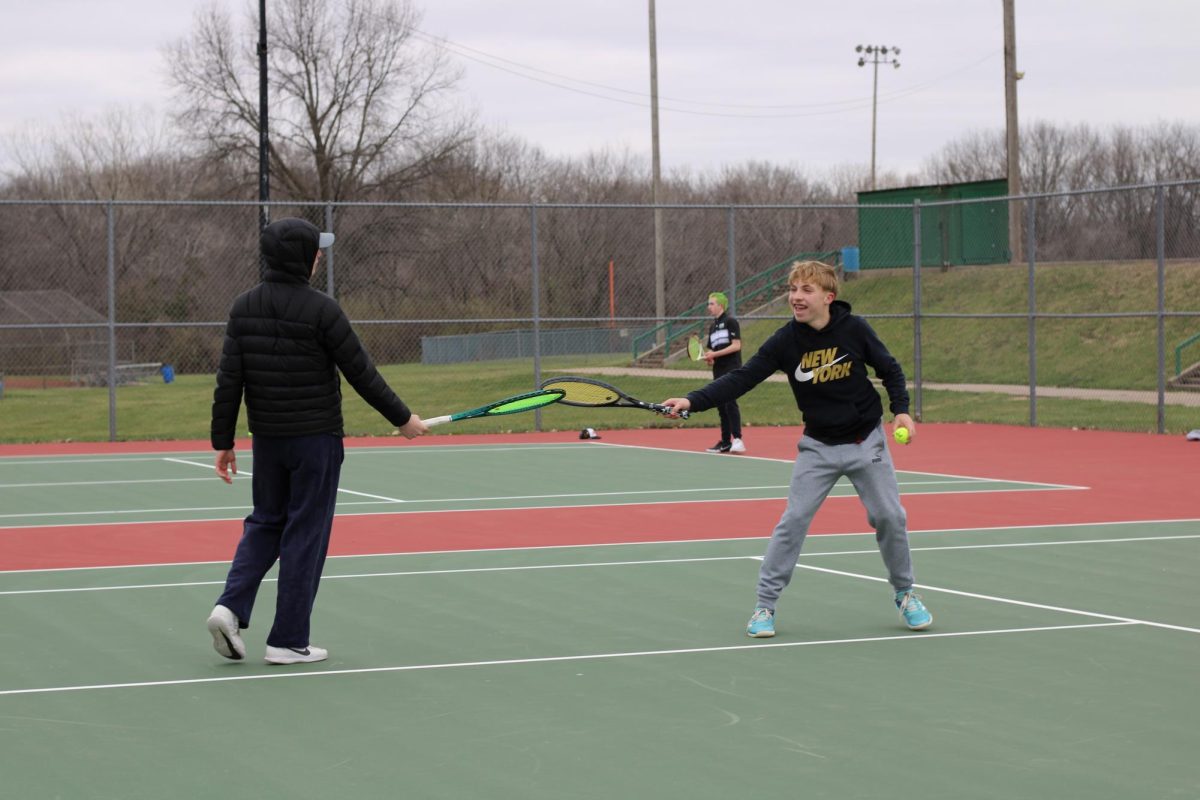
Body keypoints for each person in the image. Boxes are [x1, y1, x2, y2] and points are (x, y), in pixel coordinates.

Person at [663, 260, 931, 637]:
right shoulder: (785, 341)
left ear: (828, 297)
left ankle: (905, 593)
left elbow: (891, 369)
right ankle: (764, 607)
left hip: (865, 440)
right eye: (793, 289)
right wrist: (693, 401)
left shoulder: (855, 330)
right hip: (818, 448)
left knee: (890, 516)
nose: (796, 297)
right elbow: (741, 378)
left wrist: (901, 411)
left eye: (806, 290)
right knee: (793, 523)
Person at [206, 217, 427, 665]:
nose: (321, 254)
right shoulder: (323, 310)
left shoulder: (243, 308)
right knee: (305, 533)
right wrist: (403, 419)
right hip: (315, 443)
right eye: (316, 249)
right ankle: (287, 640)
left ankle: (229, 608)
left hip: (267, 441)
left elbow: (230, 381)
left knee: (266, 522)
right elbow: (361, 372)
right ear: (302, 258)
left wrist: (222, 441)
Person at [701, 291, 745, 454]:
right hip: (718, 370)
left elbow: (736, 346)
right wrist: (710, 358)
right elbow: (712, 349)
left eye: (711, 304)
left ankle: (738, 440)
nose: (709, 307)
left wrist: (715, 354)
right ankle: (725, 442)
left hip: (731, 368)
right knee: (720, 404)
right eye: (708, 304)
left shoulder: (731, 322)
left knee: (730, 402)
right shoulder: (712, 327)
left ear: (720, 305)